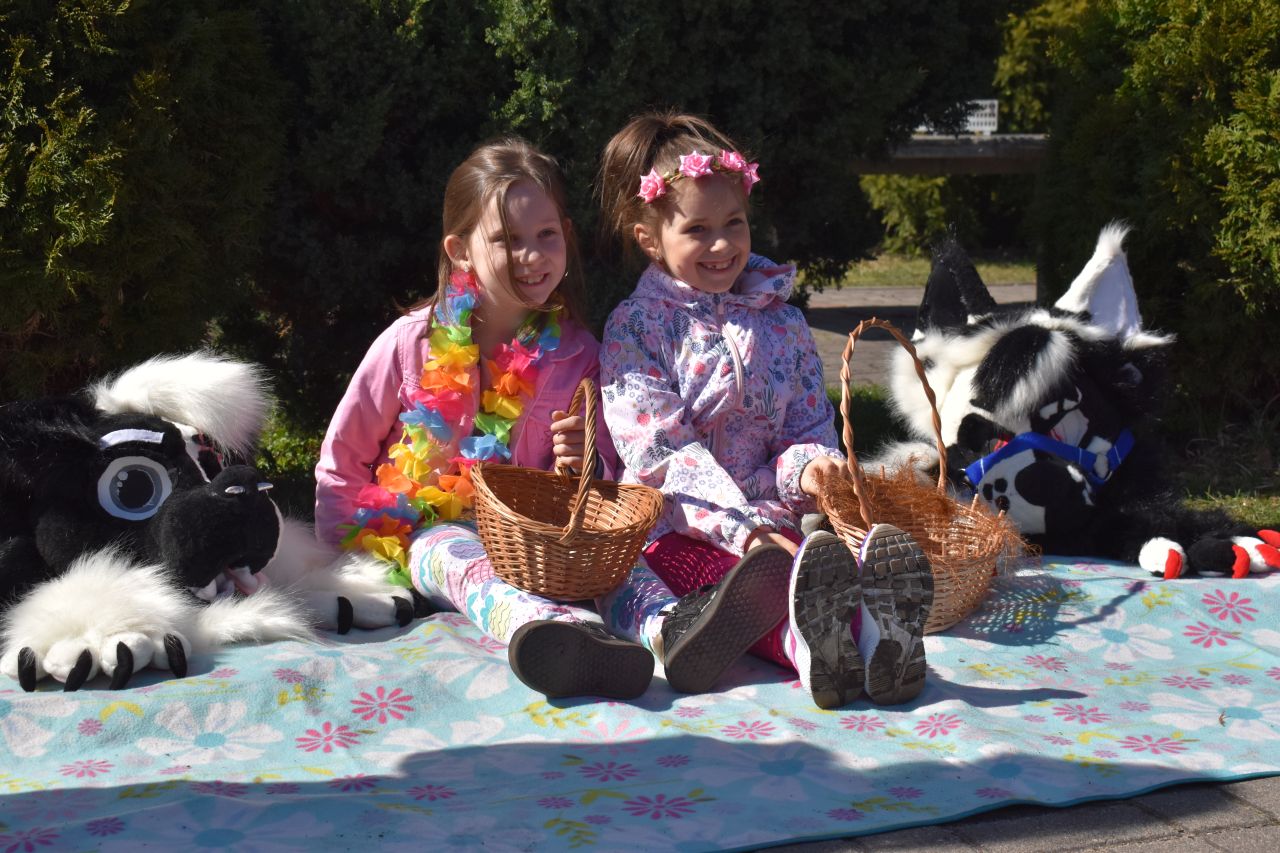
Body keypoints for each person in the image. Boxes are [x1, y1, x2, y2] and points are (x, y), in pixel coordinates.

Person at [314, 137, 793, 700]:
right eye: (508, 240)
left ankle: (672, 631)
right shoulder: (409, 344)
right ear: (460, 250)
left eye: (546, 235)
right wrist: (352, 573)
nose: (533, 255)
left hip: (544, 539)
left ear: (565, 234)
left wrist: (584, 458)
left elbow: (613, 475)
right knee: (453, 553)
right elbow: (342, 463)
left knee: (616, 561)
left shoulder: (580, 355)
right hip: (430, 535)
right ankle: (563, 637)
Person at [595, 111, 936, 708]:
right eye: (697, 230)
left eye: (735, 223)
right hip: (676, 524)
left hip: (773, 522)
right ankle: (811, 650)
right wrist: (743, 532)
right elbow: (661, 456)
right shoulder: (637, 329)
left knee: (814, 573)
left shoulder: (783, 324)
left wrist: (810, 469)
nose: (722, 244)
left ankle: (880, 640)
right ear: (650, 239)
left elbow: (804, 428)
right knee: (741, 590)